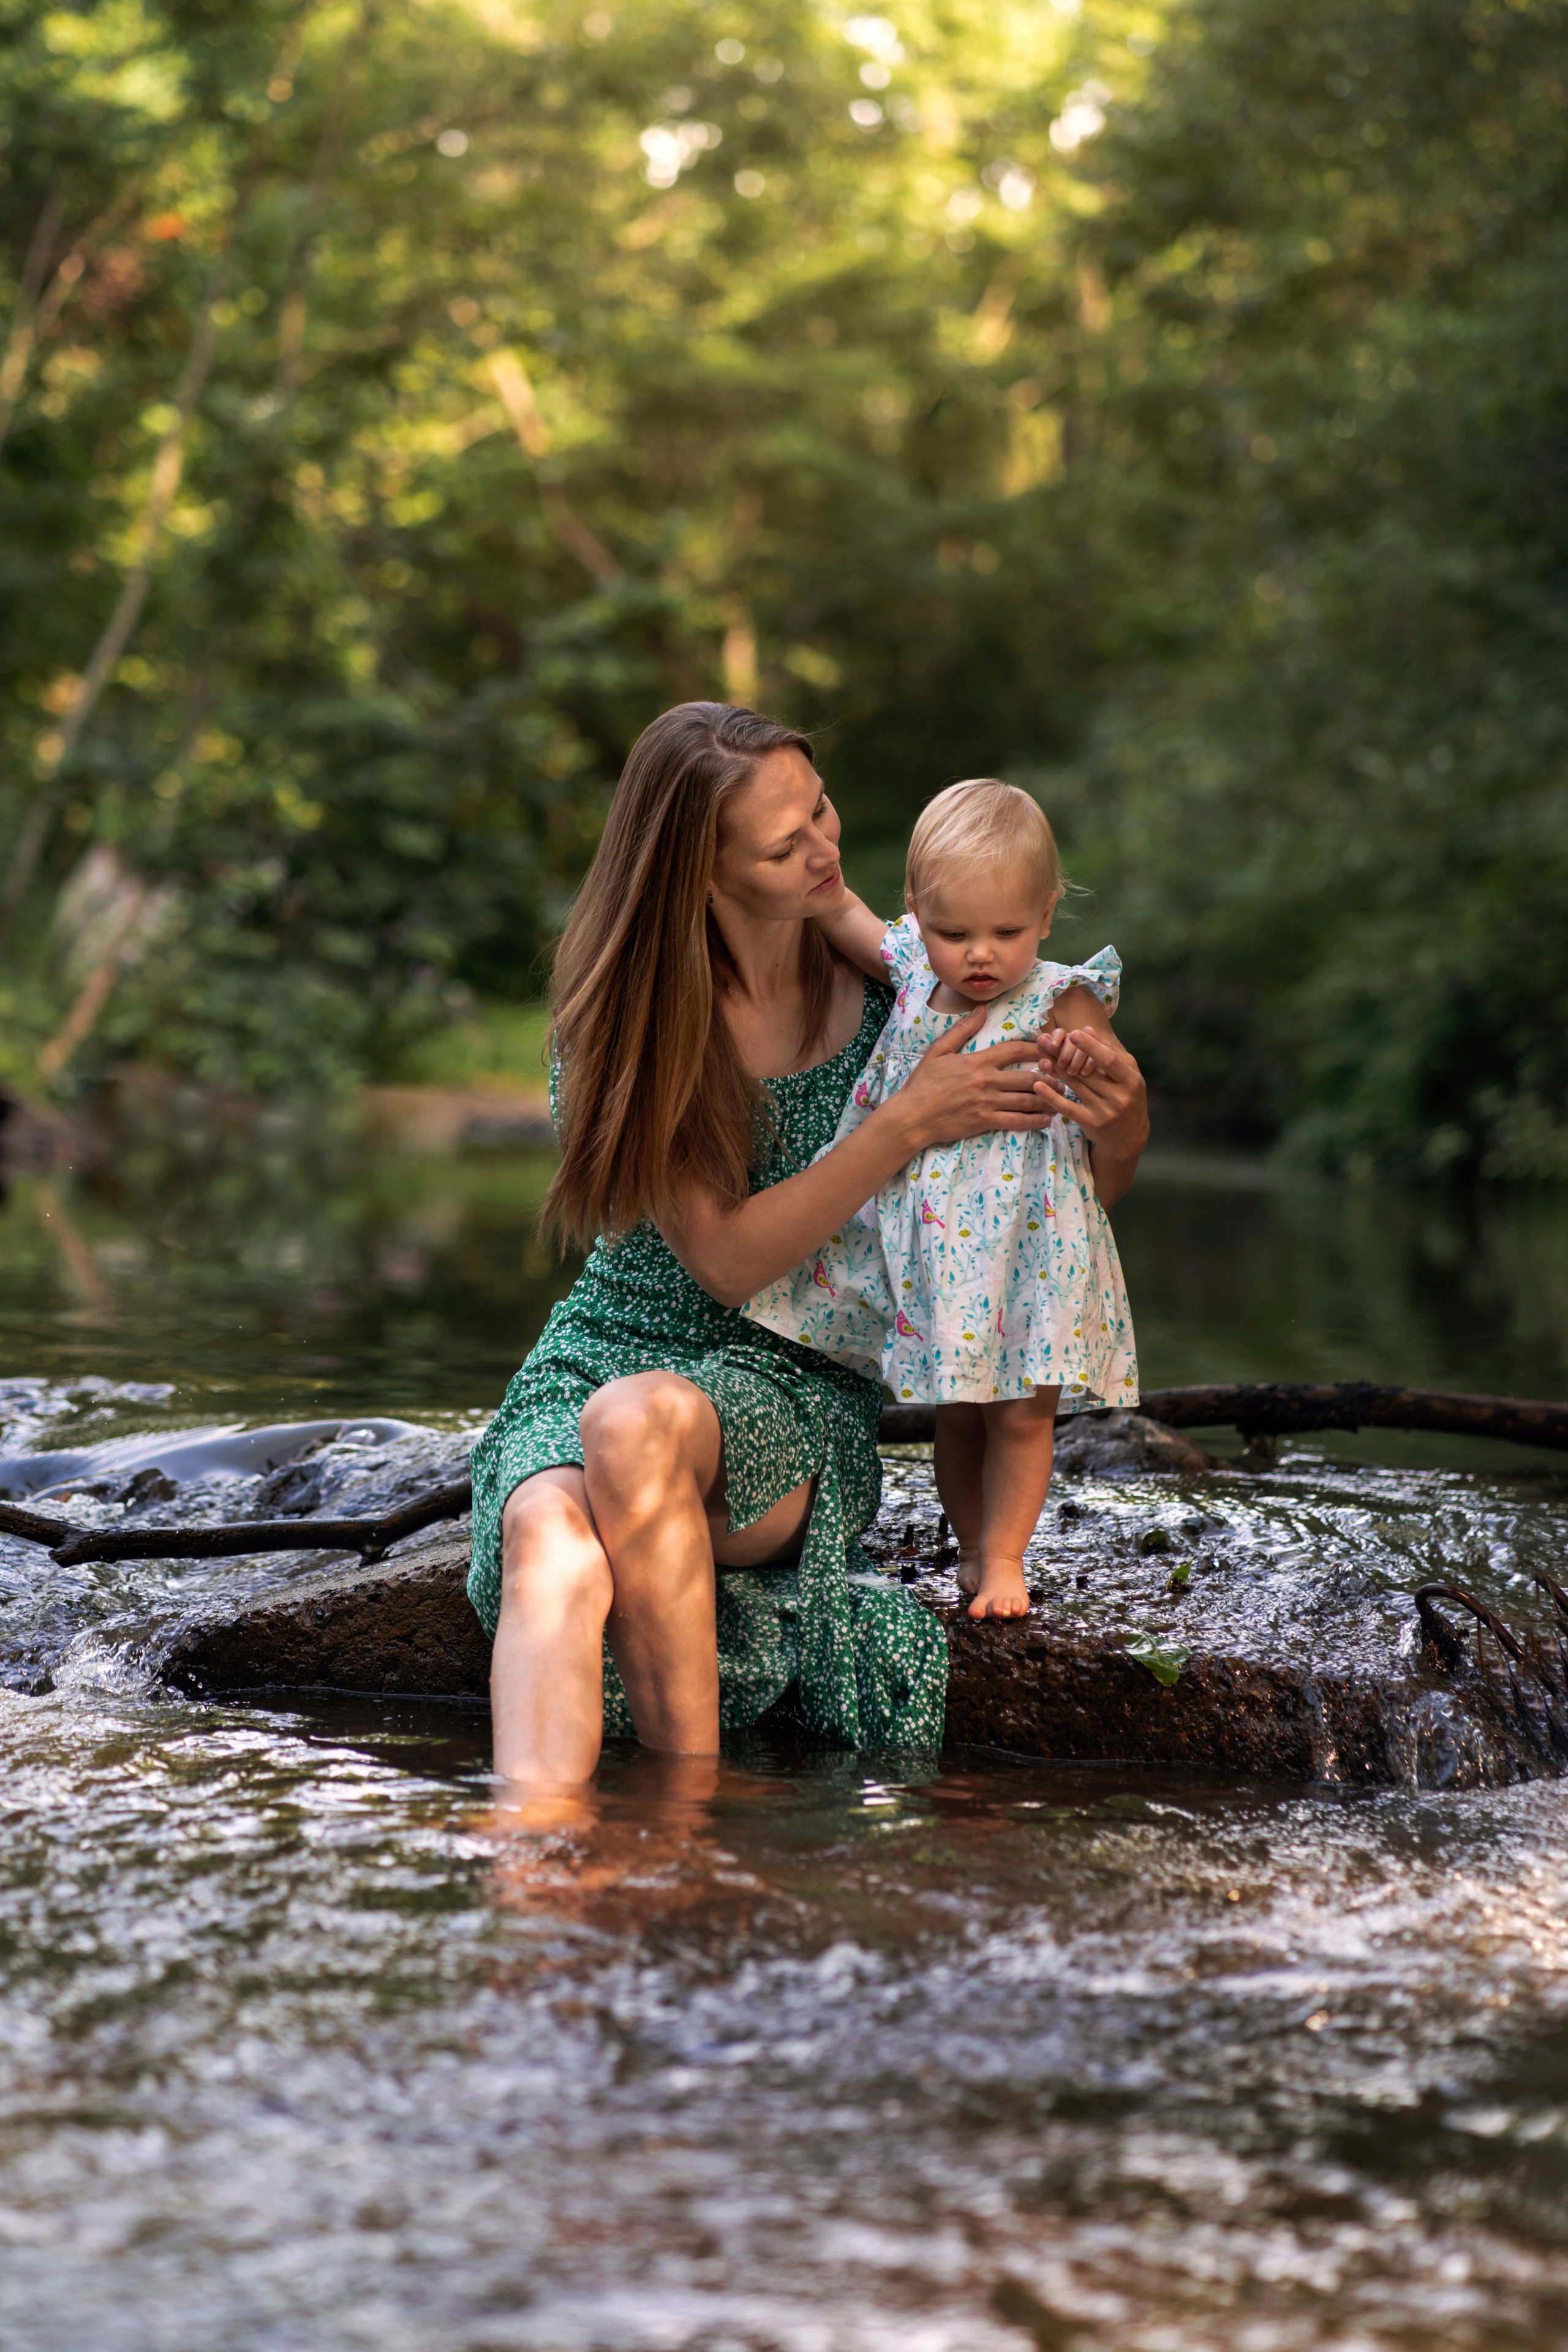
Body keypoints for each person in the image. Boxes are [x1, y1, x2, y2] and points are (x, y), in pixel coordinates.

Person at [468, 706, 1149, 1789]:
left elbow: (1066, 1196)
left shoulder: (909, 990)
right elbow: (728, 1264)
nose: (827, 849)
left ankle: (681, 1827)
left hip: (789, 1377)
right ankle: (535, 1871)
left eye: (821, 811)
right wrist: (903, 1124)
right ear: (701, 871)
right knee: (549, 1539)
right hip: (610, 1343)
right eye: (786, 847)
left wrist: (1121, 1121)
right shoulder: (634, 1025)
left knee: (633, 1425)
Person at [745, 779, 1144, 1623]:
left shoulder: (1058, 997)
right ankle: (972, 1549)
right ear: (917, 914)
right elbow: (840, 909)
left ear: (1045, 914)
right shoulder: (912, 968)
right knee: (958, 1413)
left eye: (1006, 931)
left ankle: (1006, 1558)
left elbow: (1116, 1100)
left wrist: (1085, 1063)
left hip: (1031, 1243)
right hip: (944, 1253)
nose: (980, 956)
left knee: (1024, 1415)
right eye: (953, 931)